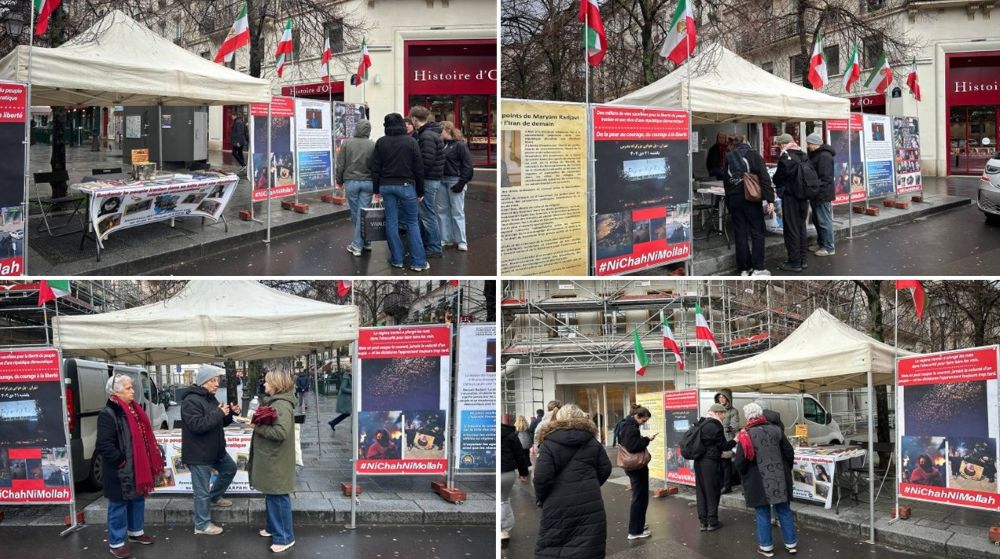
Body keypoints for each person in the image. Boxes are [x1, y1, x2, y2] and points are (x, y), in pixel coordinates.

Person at [96, 373, 164, 559]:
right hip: (120, 470)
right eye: (128, 388)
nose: (133, 391)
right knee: (118, 505)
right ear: (116, 392)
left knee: (137, 500)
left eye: (131, 387)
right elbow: (104, 444)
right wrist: (121, 461)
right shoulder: (108, 413)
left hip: (137, 467)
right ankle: (116, 542)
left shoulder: (134, 409)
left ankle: (136, 532)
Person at [534, 404, 612, 559]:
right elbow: (605, 468)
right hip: (590, 503)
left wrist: (542, 499)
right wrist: (591, 484)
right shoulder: (592, 441)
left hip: (557, 504)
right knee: (588, 546)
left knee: (554, 545)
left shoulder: (549, 443)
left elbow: (542, 478)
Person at [181, 365, 239, 536]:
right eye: (213, 381)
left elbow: (217, 422)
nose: (217, 384)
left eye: (217, 380)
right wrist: (218, 413)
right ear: (203, 382)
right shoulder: (190, 400)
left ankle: (215, 496)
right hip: (199, 453)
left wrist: (229, 414)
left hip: (215, 450)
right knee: (201, 492)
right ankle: (202, 525)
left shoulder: (210, 398)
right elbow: (197, 425)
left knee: (230, 469)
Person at [734, 402, 797, 557]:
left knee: (762, 512)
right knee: (784, 509)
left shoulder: (745, 434)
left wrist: (744, 475)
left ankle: (766, 547)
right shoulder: (777, 430)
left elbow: (740, 462)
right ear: (761, 414)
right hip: (779, 476)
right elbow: (789, 452)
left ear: (747, 417)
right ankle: (791, 544)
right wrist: (786, 469)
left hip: (758, 479)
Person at [370, 113, 428, 271]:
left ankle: (397, 259)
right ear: (402, 125)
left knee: (391, 222)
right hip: (406, 185)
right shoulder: (411, 142)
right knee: (412, 222)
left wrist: (376, 190)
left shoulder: (381, 142)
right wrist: (420, 191)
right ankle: (418, 262)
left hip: (386, 186)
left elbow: (375, 168)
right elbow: (419, 168)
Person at [248, 371, 297, 553]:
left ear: (275, 384)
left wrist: (257, 427)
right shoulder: (278, 403)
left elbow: (280, 433)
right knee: (272, 494)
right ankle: (272, 528)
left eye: (267, 382)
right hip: (273, 458)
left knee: (278, 495)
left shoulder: (281, 405)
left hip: (276, 459)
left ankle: (285, 537)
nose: (264, 385)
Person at [724, 135, 775, 276]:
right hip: (751, 199)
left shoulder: (729, 157)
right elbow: (764, 178)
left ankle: (744, 269)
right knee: (757, 232)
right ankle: (758, 268)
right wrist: (770, 199)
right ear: (746, 141)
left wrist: (729, 201)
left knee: (740, 234)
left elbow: (726, 181)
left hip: (734, 199)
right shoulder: (753, 155)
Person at [408, 106, 445, 259]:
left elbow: (426, 162)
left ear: (415, 119)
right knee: (426, 213)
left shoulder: (426, 136)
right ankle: (430, 244)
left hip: (428, 180)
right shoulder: (429, 133)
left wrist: (418, 178)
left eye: (411, 119)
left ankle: (435, 247)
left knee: (428, 214)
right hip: (432, 179)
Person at [337, 119, 376, 257]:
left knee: (356, 214)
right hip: (368, 182)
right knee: (363, 213)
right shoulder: (372, 144)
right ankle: (365, 241)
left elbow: (341, 163)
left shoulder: (347, 143)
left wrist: (339, 180)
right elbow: (376, 166)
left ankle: (357, 246)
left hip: (351, 181)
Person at [617, 404, 657, 540]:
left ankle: (639, 525)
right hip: (636, 467)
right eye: (643, 420)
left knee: (639, 496)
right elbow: (633, 446)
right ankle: (635, 531)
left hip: (631, 466)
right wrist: (646, 440)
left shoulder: (624, 424)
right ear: (637, 416)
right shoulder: (630, 428)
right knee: (640, 498)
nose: (644, 423)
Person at [772, 133, 810, 273]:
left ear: (783, 144)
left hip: (791, 197)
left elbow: (778, 178)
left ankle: (794, 262)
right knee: (801, 227)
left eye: (779, 145)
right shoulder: (803, 154)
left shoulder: (786, 157)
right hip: (803, 197)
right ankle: (803, 259)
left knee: (791, 229)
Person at [695, 403, 736, 532]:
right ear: (718, 413)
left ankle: (703, 522)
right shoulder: (715, 425)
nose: (724, 417)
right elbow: (724, 445)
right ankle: (712, 521)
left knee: (701, 491)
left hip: (699, 461)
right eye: (724, 414)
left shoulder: (702, 423)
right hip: (710, 463)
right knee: (712, 491)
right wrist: (736, 440)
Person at [438, 120, 474, 252]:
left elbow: (467, 165)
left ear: (447, 130)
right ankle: (446, 237)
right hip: (443, 180)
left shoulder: (460, 145)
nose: (438, 134)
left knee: (457, 211)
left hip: (455, 180)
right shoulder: (443, 145)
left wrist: (462, 182)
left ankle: (461, 240)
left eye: (440, 131)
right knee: (443, 211)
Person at [805, 132, 836, 257]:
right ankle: (821, 243)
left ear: (816, 144)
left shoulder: (824, 156)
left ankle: (829, 247)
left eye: (809, 144)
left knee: (824, 221)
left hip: (822, 193)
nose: (808, 146)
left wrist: (814, 186)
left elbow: (825, 178)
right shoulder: (817, 154)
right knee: (818, 221)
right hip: (817, 192)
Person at [500, 421, 530, 546]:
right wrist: (523, 472)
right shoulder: (510, 434)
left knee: (501, 501)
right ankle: (503, 530)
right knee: (503, 500)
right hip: (507, 472)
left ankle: (502, 530)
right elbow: (520, 455)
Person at [715, 389, 741, 494]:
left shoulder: (733, 411)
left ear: (728, 398)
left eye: (723, 397)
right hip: (717, 439)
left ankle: (727, 486)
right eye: (719, 397)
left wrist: (725, 428)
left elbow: (735, 426)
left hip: (728, 439)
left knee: (726, 464)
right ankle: (721, 484)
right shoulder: (716, 410)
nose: (721, 399)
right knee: (719, 463)